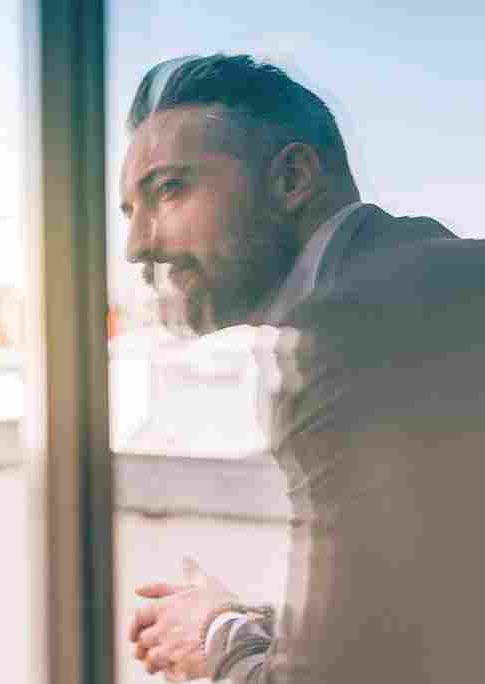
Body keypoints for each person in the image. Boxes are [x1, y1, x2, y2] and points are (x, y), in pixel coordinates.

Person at [121, 54, 485, 683]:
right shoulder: (422, 274)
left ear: (291, 179)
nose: (139, 246)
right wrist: (254, 624)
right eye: (132, 212)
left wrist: (217, 637)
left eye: (169, 190)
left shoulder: (354, 330)